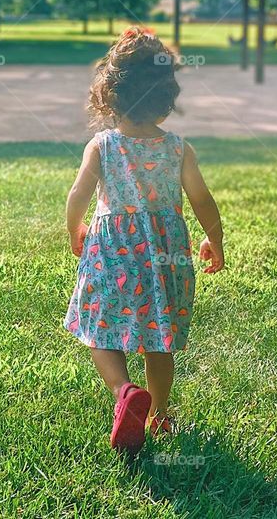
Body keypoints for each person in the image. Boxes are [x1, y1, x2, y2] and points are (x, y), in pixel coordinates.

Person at [64, 27, 224, 454]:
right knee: (159, 336)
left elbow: (78, 195)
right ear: (165, 99)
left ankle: (123, 392)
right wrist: (215, 240)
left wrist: (74, 229)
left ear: (109, 95)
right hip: (165, 252)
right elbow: (202, 199)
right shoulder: (177, 148)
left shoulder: (102, 145)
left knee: (100, 328)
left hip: (112, 249)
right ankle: (160, 414)